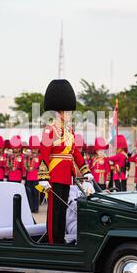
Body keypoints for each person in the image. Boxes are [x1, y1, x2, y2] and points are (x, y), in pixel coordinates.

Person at [38, 79, 93, 245]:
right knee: (54, 212)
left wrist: (85, 171)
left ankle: (60, 239)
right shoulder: (49, 129)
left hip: (66, 176)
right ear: (58, 112)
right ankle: (53, 241)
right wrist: (43, 177)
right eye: (67, 111)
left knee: (63, 210)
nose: (70, 114)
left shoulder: (69, 131)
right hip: (53, 175)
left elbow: (75, 153)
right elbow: (44, 154)